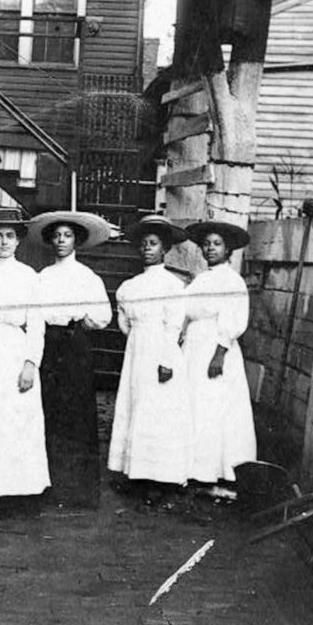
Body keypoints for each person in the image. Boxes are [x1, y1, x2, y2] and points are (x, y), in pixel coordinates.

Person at [30, 210, 113, 508]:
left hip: (75, 346)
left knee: (78, 415)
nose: (62, 241)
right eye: (57, 236)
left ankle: (80, 490)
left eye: (67, 236)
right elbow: (35, 316)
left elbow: (104, 316)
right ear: (50, 241)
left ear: (76, 241)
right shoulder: (42, 277)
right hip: (50, 346)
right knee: (50, 412)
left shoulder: (87, 277)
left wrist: (79, 322)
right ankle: (53, 484)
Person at [108, 215, 192, 505]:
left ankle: (162, 479)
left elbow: (174, 325)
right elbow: (124, 323)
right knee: (136, 408)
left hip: (161, 351)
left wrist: (166, 358)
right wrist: (137, 338)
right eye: (143, 244)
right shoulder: (130, 287)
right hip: (137, 352)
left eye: (153, 244)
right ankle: (137, 474)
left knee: (158, 413)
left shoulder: (172, 285)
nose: (147, 249)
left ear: (164, 249)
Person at [0, 207, 50, 503]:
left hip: (16, 350)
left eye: (10, 236)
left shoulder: (29, 276)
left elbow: (36, 324)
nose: (4, 242)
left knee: (17, 420)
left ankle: (19, 490)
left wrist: (31, 363)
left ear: (18, 241)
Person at [183, 221, 256, 487]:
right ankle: (194, 467)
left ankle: (216, 469)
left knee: (213, 406)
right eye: (207, 244)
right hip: (194, 347)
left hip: (215, 347)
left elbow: (234, 319)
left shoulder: (231, 280)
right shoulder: (202, 279)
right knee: (194, 405)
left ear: (228, 250)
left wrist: (219, 354)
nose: (210, 248)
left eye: (217, 244)